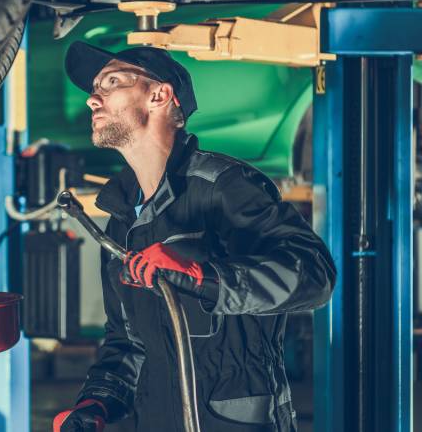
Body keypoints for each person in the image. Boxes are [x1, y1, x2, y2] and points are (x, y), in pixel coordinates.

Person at [52, 42, 336, 432]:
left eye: (112, 81)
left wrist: (205, 276)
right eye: (95, 87)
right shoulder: (120, 217)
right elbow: (129, 342)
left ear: (159, 94)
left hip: (234, 421)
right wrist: (95, 403)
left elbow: (314, 277)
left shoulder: (224, 186)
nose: (92, 100)